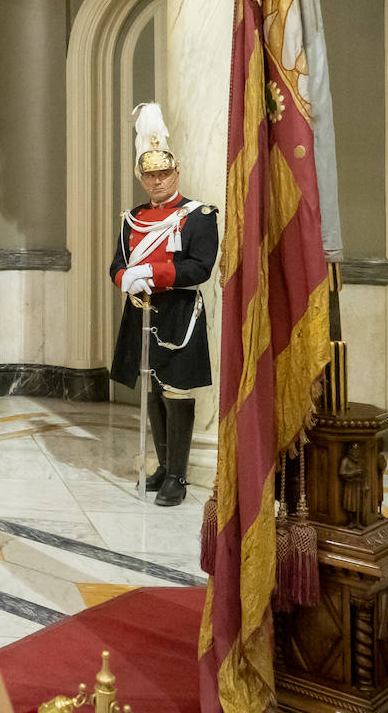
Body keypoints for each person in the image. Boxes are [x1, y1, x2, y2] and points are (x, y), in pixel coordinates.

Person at [108, 103, 219, 508]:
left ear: (176, 173)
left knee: (177, 392)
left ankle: (178, 475)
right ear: (142, 178)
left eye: (163, 174)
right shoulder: (132, 218)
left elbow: (200, 267)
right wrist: (126, 278)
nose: (156, 181)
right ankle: (161, 465)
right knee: (152, 390)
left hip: (179, 313)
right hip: (140, 311)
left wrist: (152, 275)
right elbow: (117, 265)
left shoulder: (199, 215)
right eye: (149, 175)